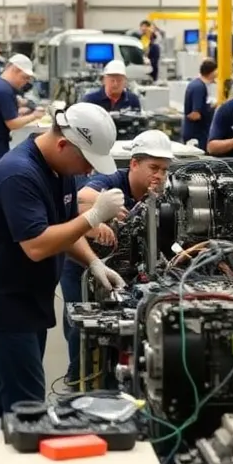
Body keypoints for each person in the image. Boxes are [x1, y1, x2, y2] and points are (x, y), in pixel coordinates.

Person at [0, 103, 125, 439]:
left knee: (8, 400)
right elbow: (37, 244)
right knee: (28, 406)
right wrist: (92, 217)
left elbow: (61, 227)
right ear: (64, 144)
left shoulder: (60, 170)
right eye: (86, 160)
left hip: (27, 299)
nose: (88, 169)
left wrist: (93, 262)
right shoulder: (19, 175)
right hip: (4, 305)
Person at [60, 129, 173, 384]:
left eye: (165, 170)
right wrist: (99, 214)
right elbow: (82, 198)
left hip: (125, 267)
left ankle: (115, 378)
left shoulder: (162, 194)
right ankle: (78, 378)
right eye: (154, 167)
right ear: (133, 164)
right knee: (81, 327)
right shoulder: (112, 180)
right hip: (82, 264)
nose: (160, 175)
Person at [0, 53, 44, 165]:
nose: (25, 82)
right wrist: (34, 115)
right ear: (14, 70)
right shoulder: (3, 90)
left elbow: (2, 113)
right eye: (24, 77)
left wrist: (21, 111)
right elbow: (13, 123)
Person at [182, 59, 217, 150]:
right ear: (211, 72)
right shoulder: (199, 88)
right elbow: (194, 115)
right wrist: (211, 112)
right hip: (197, 135)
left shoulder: (195, 84)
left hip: (195, 133)